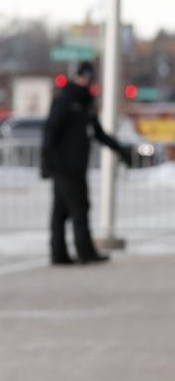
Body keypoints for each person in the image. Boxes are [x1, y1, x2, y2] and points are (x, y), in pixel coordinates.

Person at [41, 61, 131, 265]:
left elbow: (98, 133)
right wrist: (47, 162)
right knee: (79, 209)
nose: (85, 81)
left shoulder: (85, 103)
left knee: (62, 211)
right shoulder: (66, 99)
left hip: (75, 165)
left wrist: (120, 149)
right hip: (65, 166)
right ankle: (84, 252)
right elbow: (50, 132)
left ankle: (59, 254)